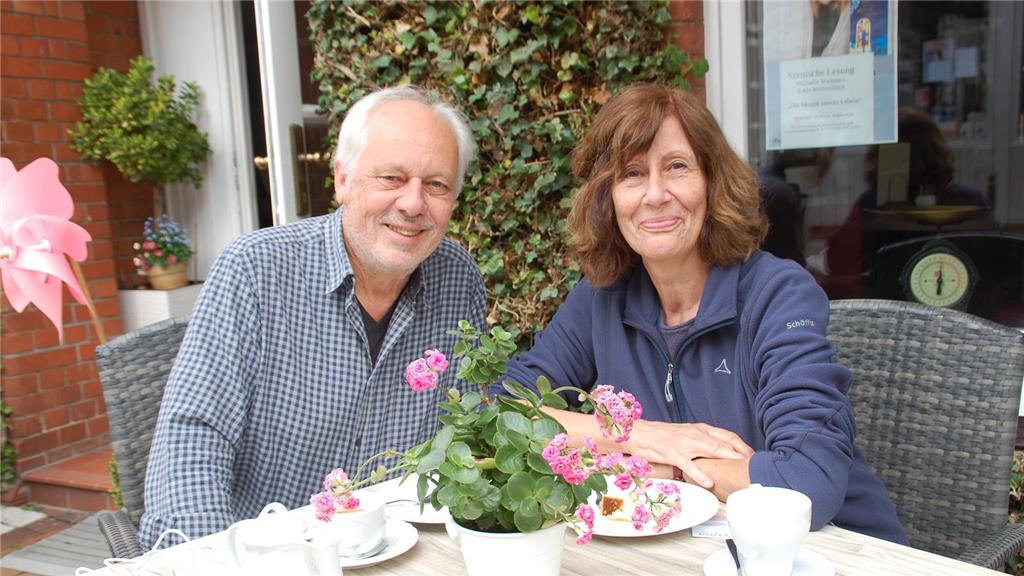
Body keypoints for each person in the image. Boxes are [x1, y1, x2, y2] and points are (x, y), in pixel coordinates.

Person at [503, 84, 907, 544]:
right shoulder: (601, 299)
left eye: (677, 167)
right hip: (702, 552)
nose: (655, 194)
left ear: (713, 182)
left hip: (842, 549)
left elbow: (806, 479)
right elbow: (501, 412)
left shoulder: (776, 294)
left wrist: (670, 466)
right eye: (632, 174)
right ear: (607, 198)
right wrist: (635, 437)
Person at [139, 86, 487, 548]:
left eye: (437, 185)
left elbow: (466, 429)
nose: (412, 203)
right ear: (342, 180)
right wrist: (217, 562)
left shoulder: (458, 278)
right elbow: (193, 438)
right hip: (266, 554)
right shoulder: (256, 270)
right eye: (391, 178)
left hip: (401, 551)